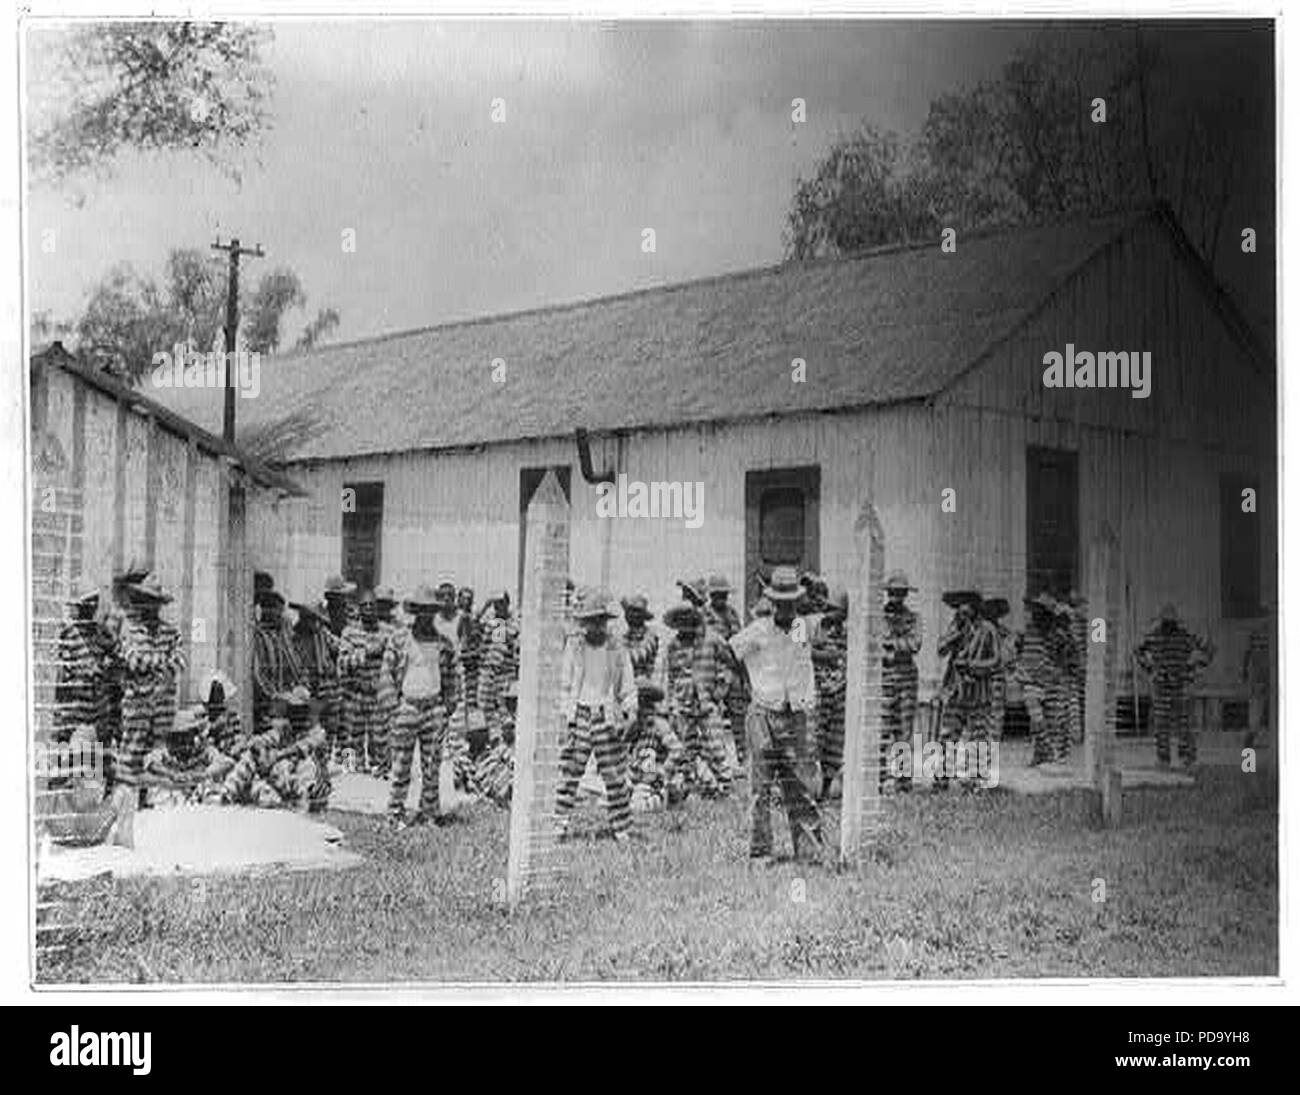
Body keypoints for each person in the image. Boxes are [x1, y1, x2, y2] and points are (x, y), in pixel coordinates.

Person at [729, 565, 824, 865]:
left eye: (791, 601)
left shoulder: (804, 627)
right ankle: (761, 852)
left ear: (798, 601)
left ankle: (809, 852)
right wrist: (751, 683)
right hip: (763, 715)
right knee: (760, 786)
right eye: (780, 602)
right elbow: (731, 652)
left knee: (801, 785)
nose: (785, 607)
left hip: (796, 715)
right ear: (771, 601)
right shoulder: (759, 629)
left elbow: (830, 616)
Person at [555, 587, 637, 843]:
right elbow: (565, 684)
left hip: (606, 715)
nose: (594, 627)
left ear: (605, 621)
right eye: (589, 622)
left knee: (613, 773)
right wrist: (563, 717)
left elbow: (627, 685)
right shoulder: (574, 646)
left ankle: (621, 826)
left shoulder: (617, 649)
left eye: (599, 621)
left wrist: (631, 710)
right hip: (579, 714)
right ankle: (559, 823)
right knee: (570, 771)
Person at [385, 584, 462, 829]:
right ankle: (395, 812)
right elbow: (386, 672)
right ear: (415, 611)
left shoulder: (444, 642)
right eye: (422, 610)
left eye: (431, 610)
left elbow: (452, 676)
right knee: (400, 764)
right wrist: (392, 706)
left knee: (431, 764)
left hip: (433, 708)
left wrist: (448, 705)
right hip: (406, 706)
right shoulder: (399, 638)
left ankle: (429, 812)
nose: (426, 615)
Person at [117, 574, 185, 807]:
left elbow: (180, 660)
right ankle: (126, 804)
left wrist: (156, 665)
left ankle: (152, 801)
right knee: (131, 755)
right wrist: (162, 665)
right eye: (146, 600)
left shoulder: (170, 632)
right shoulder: (131, 630)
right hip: (137, 705)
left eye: (154, 602)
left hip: (163, 706)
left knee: (157, 755)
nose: (150, 607)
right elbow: (133, 660)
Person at [658, 601, 732, 799]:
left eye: (688, 621)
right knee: (686, 747)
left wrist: (721, 689)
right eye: (681, 623)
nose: (685, 627)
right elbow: (671, 677)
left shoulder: (712, 639)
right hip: (683, 704)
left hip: (708, 702)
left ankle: (725, 786)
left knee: (715, 744)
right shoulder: (673, 645)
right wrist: (671, 703)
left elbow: (729, 663)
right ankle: (690, 786)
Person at [1135, 604, 1214, 770]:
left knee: (1183, 724)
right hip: (1162, 686)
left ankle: (1186, 758)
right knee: (1162, 725)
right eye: (1167, 623)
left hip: (1180, 684)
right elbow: (1137, 651)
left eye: (1170, 623)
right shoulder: (1154, 637)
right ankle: (1164, 759)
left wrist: (1194, 669)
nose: (1168, 626)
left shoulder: (1184, 636)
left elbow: (1209, 650)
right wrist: (1149, 668)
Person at [142, 703, 235, 807]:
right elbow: (149, 762)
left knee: (212, 788)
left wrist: (203, 774)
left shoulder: (202, 750)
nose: (184, 742)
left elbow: (227, 762)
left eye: (188, 736)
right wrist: (172, 774)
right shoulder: (166, 753)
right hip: (172, 797)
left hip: (197, 798)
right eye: (180, 737)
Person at [881, 571, 923, 792]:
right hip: (884, 678)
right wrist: (898, 645)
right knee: (881, 728)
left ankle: (903, 781)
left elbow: (915, 644)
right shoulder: (877, 617)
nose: (896, 597)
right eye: (893, 593)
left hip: (906, 679)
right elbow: (873, 646)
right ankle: (877, 778)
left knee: (904, 731)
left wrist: (890, 645)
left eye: (901, 593)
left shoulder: (914, 618)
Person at [935, 590, 981, 790]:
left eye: (968, 606)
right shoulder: (956, 627)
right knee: (948, 735)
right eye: (960, 607)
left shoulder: (984, 628)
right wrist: (957, 632)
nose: (964, 611)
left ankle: (972, 781)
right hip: (955, 688)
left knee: (974, 735)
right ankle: (943, 777)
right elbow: (941, 649)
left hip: (976, 690)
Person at [339, 591, 389, 774]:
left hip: (377, 693)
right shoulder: (349, 632)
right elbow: (343, 663)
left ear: (377, 609)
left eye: (372, 605)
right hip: (355, 692)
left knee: (380, 735)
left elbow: (395, 660)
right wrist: (365, 653)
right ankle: (349, 769)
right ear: (359, 610)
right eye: (364, 606)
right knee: (350, 735)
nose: (368, 609)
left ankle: (379, 767)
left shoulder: (387, 632)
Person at [703, 574, 749, 771]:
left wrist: (744, 676)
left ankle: (743, 757)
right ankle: (715, 765)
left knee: (739, 717)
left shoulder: (732, 614)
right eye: (717, 595)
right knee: (711, 720)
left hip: (732, 671)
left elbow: (738, 644)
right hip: (713, 672)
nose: (721, 599)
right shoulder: (704, 615)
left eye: (724, 595)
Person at [1017, 592, 1070, 766]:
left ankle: (1041, 755)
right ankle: (1048, 749)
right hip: (1030, 681)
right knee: (1036, 716)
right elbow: (1017, 649)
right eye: (1034, 610)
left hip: (1051, 681)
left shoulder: (1056, 632)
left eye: (1039, 610)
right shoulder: (1029, 629)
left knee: (1052, 720)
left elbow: (1064, 655)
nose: (1034, 613)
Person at [291, 600, 342, 762]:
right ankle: (318, 762)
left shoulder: (323, 634)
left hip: (329, 685)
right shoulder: (294, 638)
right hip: (309, 687)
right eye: (310, 619)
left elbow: (340, 647)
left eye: (316, 619)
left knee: (337, 727)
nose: (314, 623)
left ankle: (347, 764)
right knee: (314, 728)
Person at [627, 679, 685, 812]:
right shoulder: (637, 727)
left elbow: (676, 750)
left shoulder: (659, 725)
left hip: (652, 779)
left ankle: (665, 797)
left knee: (637, 807)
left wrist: (664, 771)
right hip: (639, 778)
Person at [252, 583, 302, 732]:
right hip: (266, 707)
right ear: (267, 611)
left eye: (281, 611)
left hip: (283, 703)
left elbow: (294, 665)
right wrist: (275, 696)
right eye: (278, 611)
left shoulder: (282, 635)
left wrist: (296, 688)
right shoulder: (258, 637)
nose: (281, 615)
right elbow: (257, 675)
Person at [200, 670, 242, 756]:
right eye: (214, 694)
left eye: (219, 693)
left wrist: (236, 748)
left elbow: (238, 737)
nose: (217, 698)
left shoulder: (232, 715)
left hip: (232, 755)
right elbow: (203, 742)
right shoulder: (204, 719)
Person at [621, 594, 660, 679]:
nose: (631, 615)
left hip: (644, 685)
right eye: (629, 611)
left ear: (643, 615)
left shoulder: (651, 636)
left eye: (635, 611)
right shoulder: (623, 638)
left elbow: (640, 655)